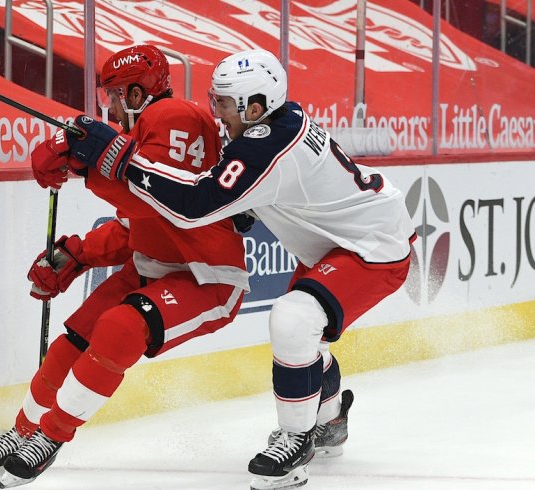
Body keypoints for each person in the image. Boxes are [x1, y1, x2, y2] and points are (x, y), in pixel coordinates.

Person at [52, 48, 416, 490]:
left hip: (370, 248)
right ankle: (330, 420)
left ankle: (296, 440)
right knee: (305, 335)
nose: (215, 110)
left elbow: (193, 206)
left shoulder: (267, 144)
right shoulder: (274, 126)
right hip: (339, 240)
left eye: (223, 102)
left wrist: (118, 159)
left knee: (293, 320)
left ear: (255, 107)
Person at [0, 44, 250, 488]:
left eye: (115, 96)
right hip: (152, 267)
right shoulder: (147, 129)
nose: (111, 107)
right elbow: (133, 221)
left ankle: (52, 433)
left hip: (207, 276)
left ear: (138, 94)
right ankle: (23, 430)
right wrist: (77, 255)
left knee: (120, 327)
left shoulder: (173, 116)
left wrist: (85, 165)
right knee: (72, 340)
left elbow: (157, 202)